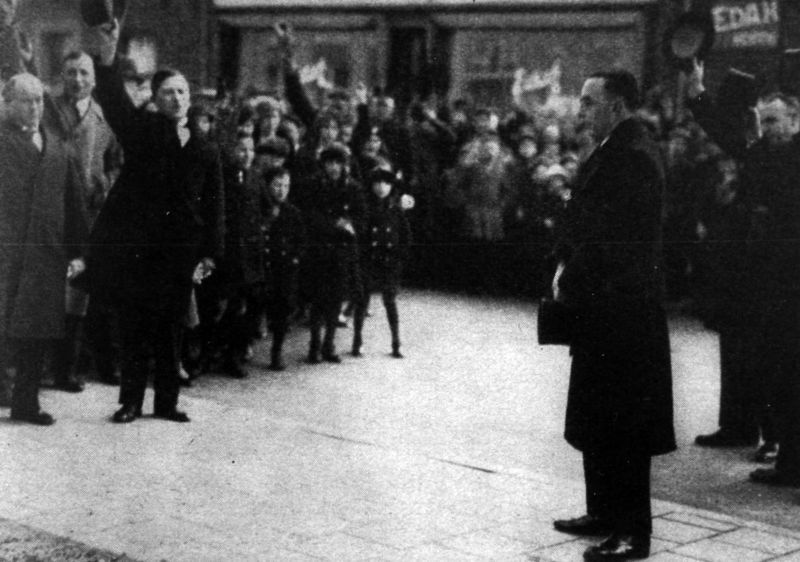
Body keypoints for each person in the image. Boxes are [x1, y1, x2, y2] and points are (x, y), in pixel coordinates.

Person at [551, 71, 675, 561]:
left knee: (625, 422)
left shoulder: (633, 155)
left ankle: (632, 532)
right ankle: (602, 511)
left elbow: (616, 236)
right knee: (597, 411)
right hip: (602, 304)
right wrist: (564, 260)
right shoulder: (612, 148)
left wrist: (570, 271)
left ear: (617, 105)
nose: (580, 110)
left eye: (588, 102)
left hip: (625, 307)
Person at [88, 19, 224, 423]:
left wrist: (211, 254)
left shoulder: (205, 148)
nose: (176, 98)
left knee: (171, 329)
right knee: (135, 326)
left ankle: (167, 402)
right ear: (156, 98)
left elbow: (215, 205)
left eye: (182, 92)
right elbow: (114, 101)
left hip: (181, 253)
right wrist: (108, 56)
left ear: (189, 98)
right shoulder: (143, 131)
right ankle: (130, 401)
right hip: (141, 249)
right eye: (168, 92)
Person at [686, 59, 800, 485]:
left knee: (788, 372)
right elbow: (729, 137)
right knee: (779, 371)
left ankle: (790, 462)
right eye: (763, 121)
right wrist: (698, 95)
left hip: (790, 283)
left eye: (774, 121)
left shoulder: (789, 157)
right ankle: (788, 459)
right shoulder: (768, 154)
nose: (767, 129)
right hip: (770, 282)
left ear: (795, 120)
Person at [0, 73, 89, 425]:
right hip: (6, 254)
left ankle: (26, 402)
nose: (34, 107)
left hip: (44, 255)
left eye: (38, 99)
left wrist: (79, 252)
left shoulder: (57, 148)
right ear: (8, 104)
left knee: (35, 332)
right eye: (25, 100)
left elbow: (74, 203)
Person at [50, 50, 122, 392]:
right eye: (71, 73)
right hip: (58, 213)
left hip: (93, 214)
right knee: (61, 289)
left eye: (83, 73)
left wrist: (106, 184)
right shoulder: (50, 111)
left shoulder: (104, 116)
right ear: (62, 76)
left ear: (94, 78)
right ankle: (62, 369)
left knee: (90, 289)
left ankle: (96, 364)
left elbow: (115, 162)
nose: (77, 80)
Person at [295, 143, 364, 363]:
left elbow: (361, 216)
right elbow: (308, 215)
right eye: (329, 163)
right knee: (318, 298)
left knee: (336, 299)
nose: (333, 167)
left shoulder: (353, 187)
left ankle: (329, 344)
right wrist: (334, 224)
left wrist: (351, 224)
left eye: (338, 163)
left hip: (342, 251)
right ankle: (314, 344)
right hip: (319, 249)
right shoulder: (313, 185)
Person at [351, 168, 411, 358]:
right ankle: (357, 339)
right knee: (362, 300)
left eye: (386, 183)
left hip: (390, 262)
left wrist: (399, 257)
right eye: (377, 183)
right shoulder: (366, 208)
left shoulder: (396, 209)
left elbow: (405, 235)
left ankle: (396, 341)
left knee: (390, 301)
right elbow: (360, 235)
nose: (381, 187)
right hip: (369, 260)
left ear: (391, 186)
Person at [261, 167, 306, 370]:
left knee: (282, 310)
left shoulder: (293, 212)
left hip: (284, 269)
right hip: (263, 267)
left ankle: (276, 352)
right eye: (277, 185)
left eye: (286, 186)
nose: (281, 190)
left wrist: (294, 258)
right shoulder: (260, 209)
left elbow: (301, 241)